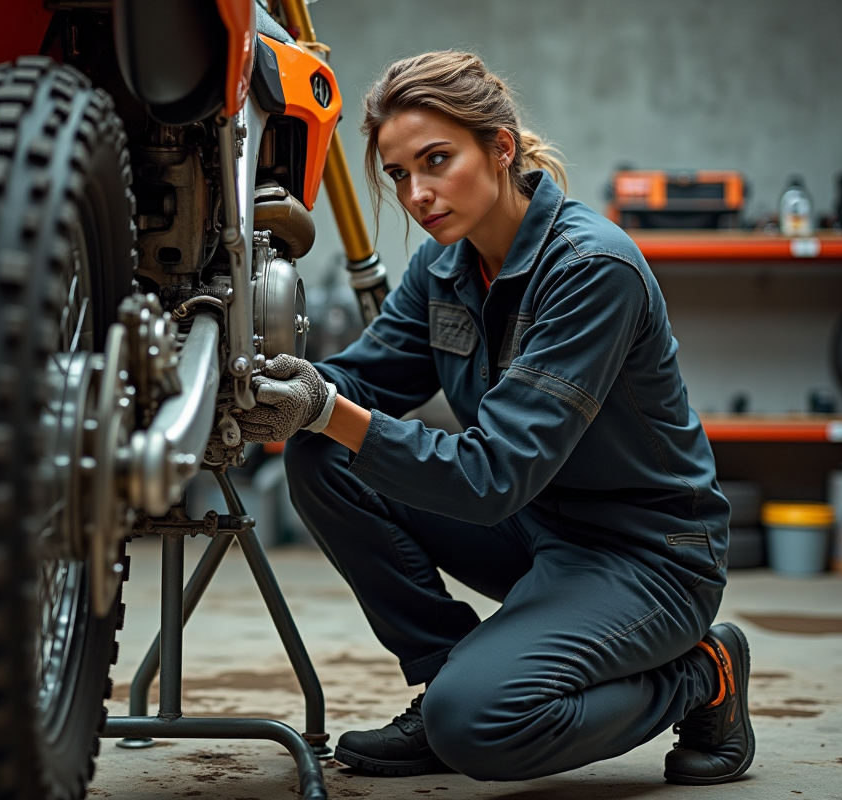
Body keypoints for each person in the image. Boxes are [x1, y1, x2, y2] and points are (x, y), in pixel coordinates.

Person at [234, 51, 753, 786]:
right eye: (399, 174)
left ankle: (702, 673)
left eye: (437, 160)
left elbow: (493, 476)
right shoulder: (444, 269)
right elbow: (365, 380)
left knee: (478, 729)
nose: (417, 193)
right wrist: (283, 386)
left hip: (646, 557)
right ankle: (447, 676)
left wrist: (326, 409)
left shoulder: (590, 269)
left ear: (501, 147)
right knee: (322, 457)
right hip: (537, 530)